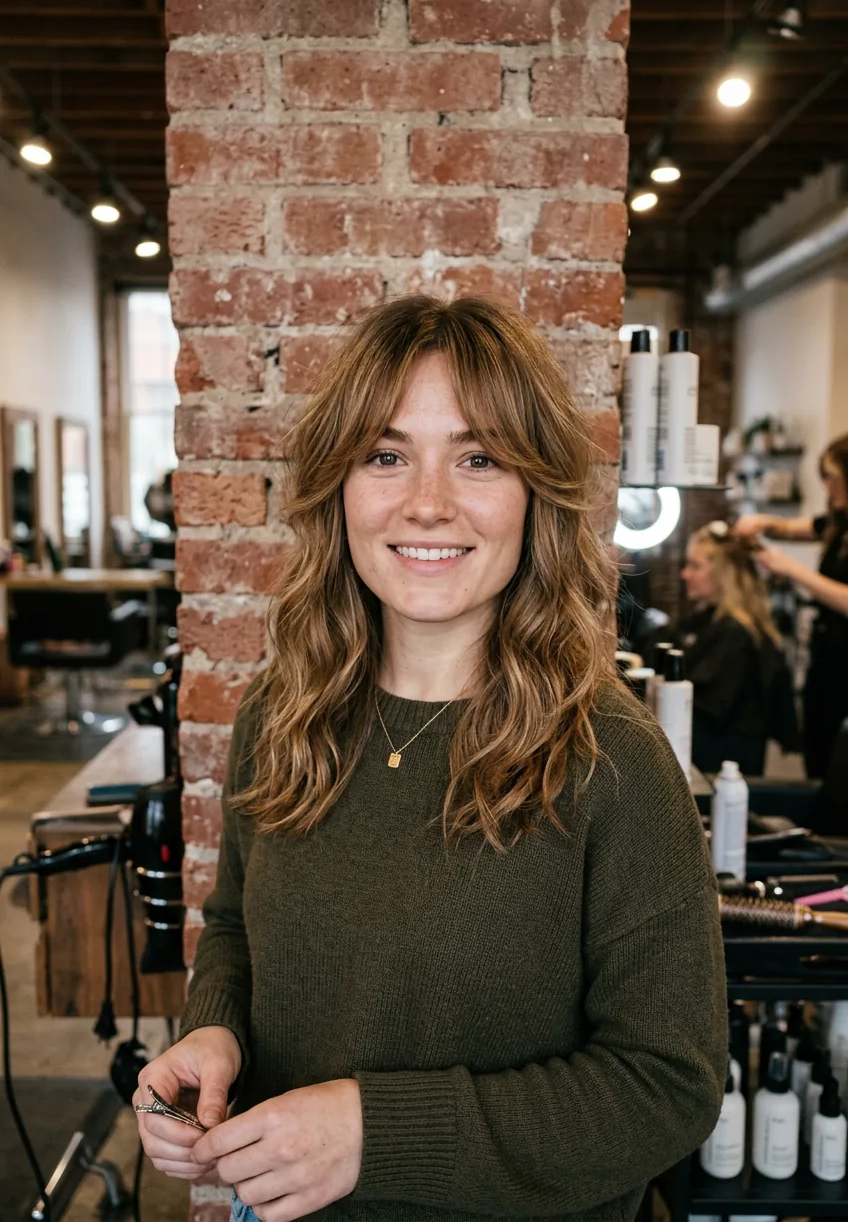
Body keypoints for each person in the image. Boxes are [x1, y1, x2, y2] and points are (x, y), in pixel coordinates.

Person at [134, 296, 726, 1222]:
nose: (427, 502)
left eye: (479, 457)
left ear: (537, 492)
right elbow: (241, 925)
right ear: (340, 485)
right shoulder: (282, 718)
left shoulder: (612, 758)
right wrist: (214, 1031)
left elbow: (669, 1085)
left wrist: (377, 1130)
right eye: (386, 454)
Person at [735, 433, 848, 779]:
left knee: (836, 764)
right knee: (817, 752)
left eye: (831, 477)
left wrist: (789, 569)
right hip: (826, 659)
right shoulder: (838, 523)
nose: (826, 486)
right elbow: (789, 528)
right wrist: (762, 522)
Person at [679, 521, 797, 776]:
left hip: (726, 768)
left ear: (724, 575)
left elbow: (709, 711)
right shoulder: (714, 622)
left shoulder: (735, 636)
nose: (684, 574)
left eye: (695, 566)